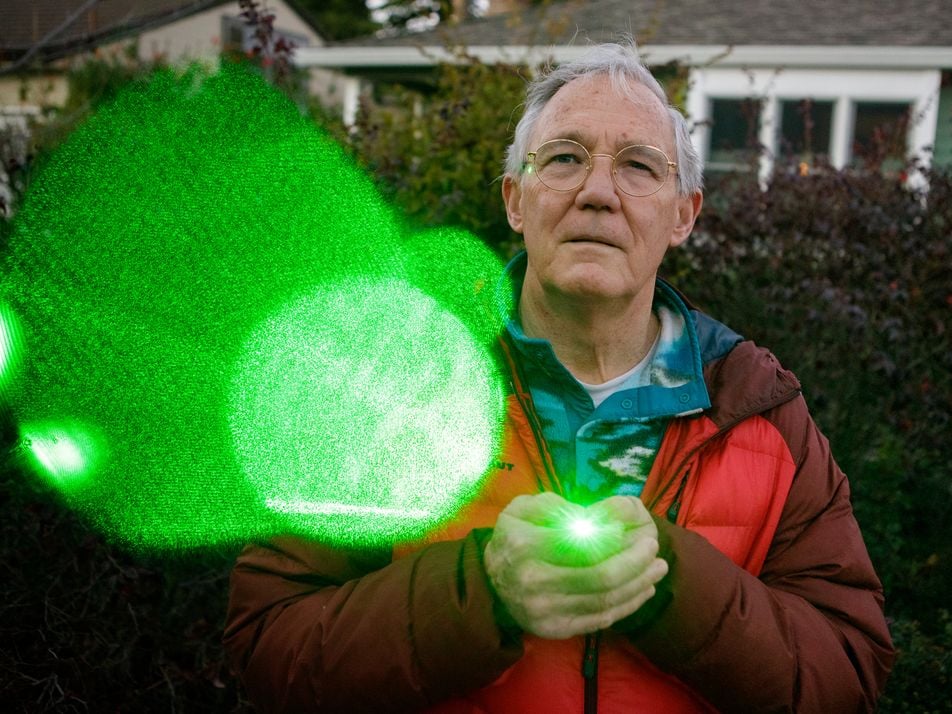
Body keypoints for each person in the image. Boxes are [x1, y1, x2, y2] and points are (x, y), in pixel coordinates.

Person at [224, 40, 895, 713]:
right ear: (517, 201)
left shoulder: (763, 417)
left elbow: (848, 673)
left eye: (637, 166)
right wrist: (479, 592)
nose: (597, 193)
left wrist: (673, 586)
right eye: (566, 158)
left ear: (683, 215)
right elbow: (268, 647)